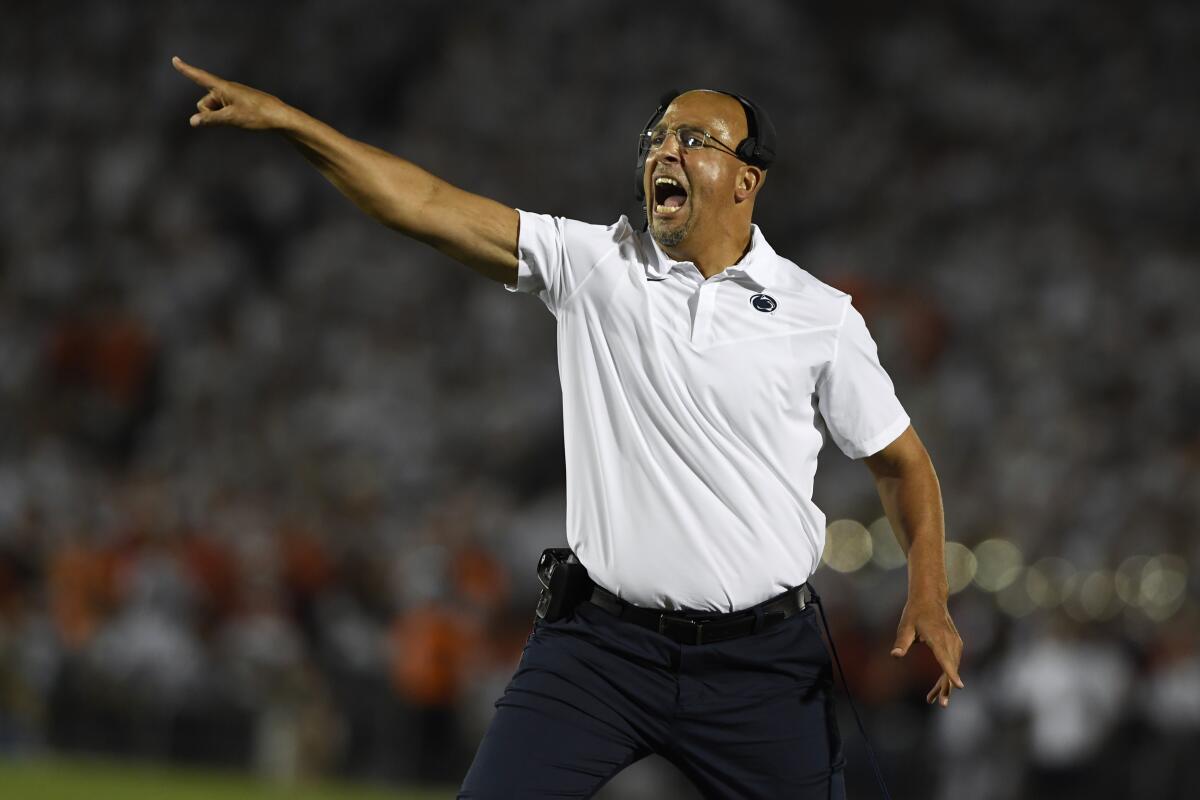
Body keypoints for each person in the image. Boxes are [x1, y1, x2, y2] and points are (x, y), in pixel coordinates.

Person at [172, 56, 964, 799]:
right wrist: (293, 125)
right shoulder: (596, 266)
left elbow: (903, 464)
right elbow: (423, 204)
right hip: (601, 651)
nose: (666, 151)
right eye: (657, 138)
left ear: (746, 179)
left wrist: (927, 590)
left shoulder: (818, 316)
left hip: (759, 666)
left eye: (694, 140)